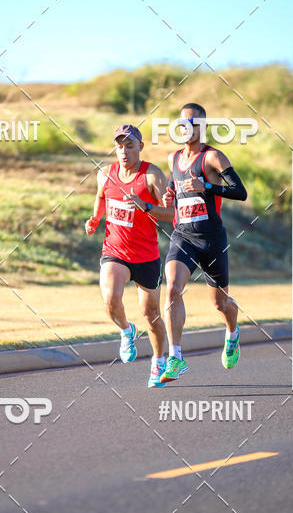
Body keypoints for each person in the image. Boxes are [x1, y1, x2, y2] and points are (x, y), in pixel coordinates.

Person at [160, 103, 248, 383]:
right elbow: (175, 190)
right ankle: (175, 357)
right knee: (172, 288)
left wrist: (208, 187)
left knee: (220, 303)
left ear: (203, 126)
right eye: (184, 122)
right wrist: (169, 198)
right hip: (182, 236)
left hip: (211, 240)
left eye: (194, 123)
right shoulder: (173, 158)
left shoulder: (213, 157)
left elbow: (240, 192)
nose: (188, 127)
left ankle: (232, 334)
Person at [85, 124, 174, 387]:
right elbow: (101, 197)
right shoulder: (106, 174)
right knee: (111, 297)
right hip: (115, 251)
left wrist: (146, 206)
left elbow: (172, 215)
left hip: (146, 255)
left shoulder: (152, 176)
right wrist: (95, 218)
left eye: (130, 146)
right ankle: (126, 331)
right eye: (119, 146)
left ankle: (158, 362)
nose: (124, 152)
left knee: (151, 314)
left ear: (140, 147)